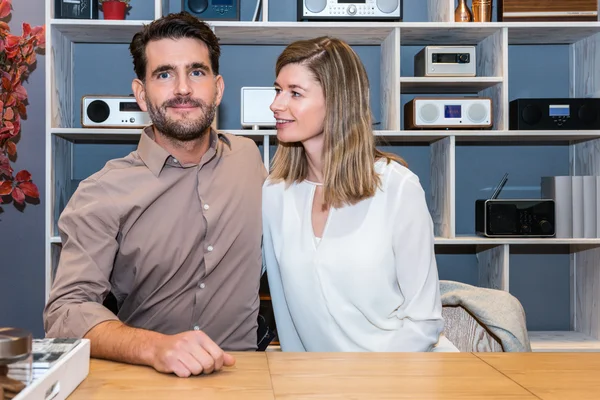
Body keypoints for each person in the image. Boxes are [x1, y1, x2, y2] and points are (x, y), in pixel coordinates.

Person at [43, 12, 267, 377]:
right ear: (141, 94)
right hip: (147, 380)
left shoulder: (248, 159)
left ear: (218, 88)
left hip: (245, 376)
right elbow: (65, 311)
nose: (182, 88)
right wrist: (154, 347)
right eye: (164, 74)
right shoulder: (101, 192)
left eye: (196, 72)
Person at [262, 36, 451, 352]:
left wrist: (364, 385)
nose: (276, 104)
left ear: (338, 101)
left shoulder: (397, 188)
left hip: (398, 377)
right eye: (277, 90)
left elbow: (424, 324)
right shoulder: (275, 192)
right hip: (312, 383)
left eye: (295, 93)